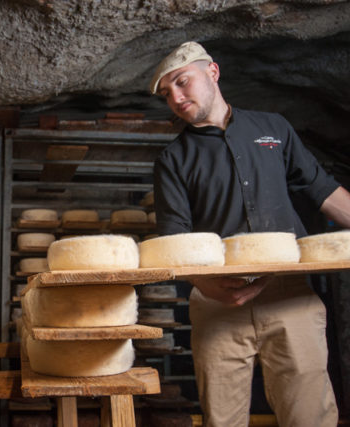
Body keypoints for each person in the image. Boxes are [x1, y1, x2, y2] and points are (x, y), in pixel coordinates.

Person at [149, 41, 350, 427]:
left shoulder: (273, 127)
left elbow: (319, 188)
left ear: (213, 72)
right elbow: (175, 238)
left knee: (310, 417)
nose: (175, 97)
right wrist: (205, 285)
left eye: (181, 82)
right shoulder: (173, 160)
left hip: (289, 295)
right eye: (166, 94)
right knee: (223, 420)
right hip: (217, 301)